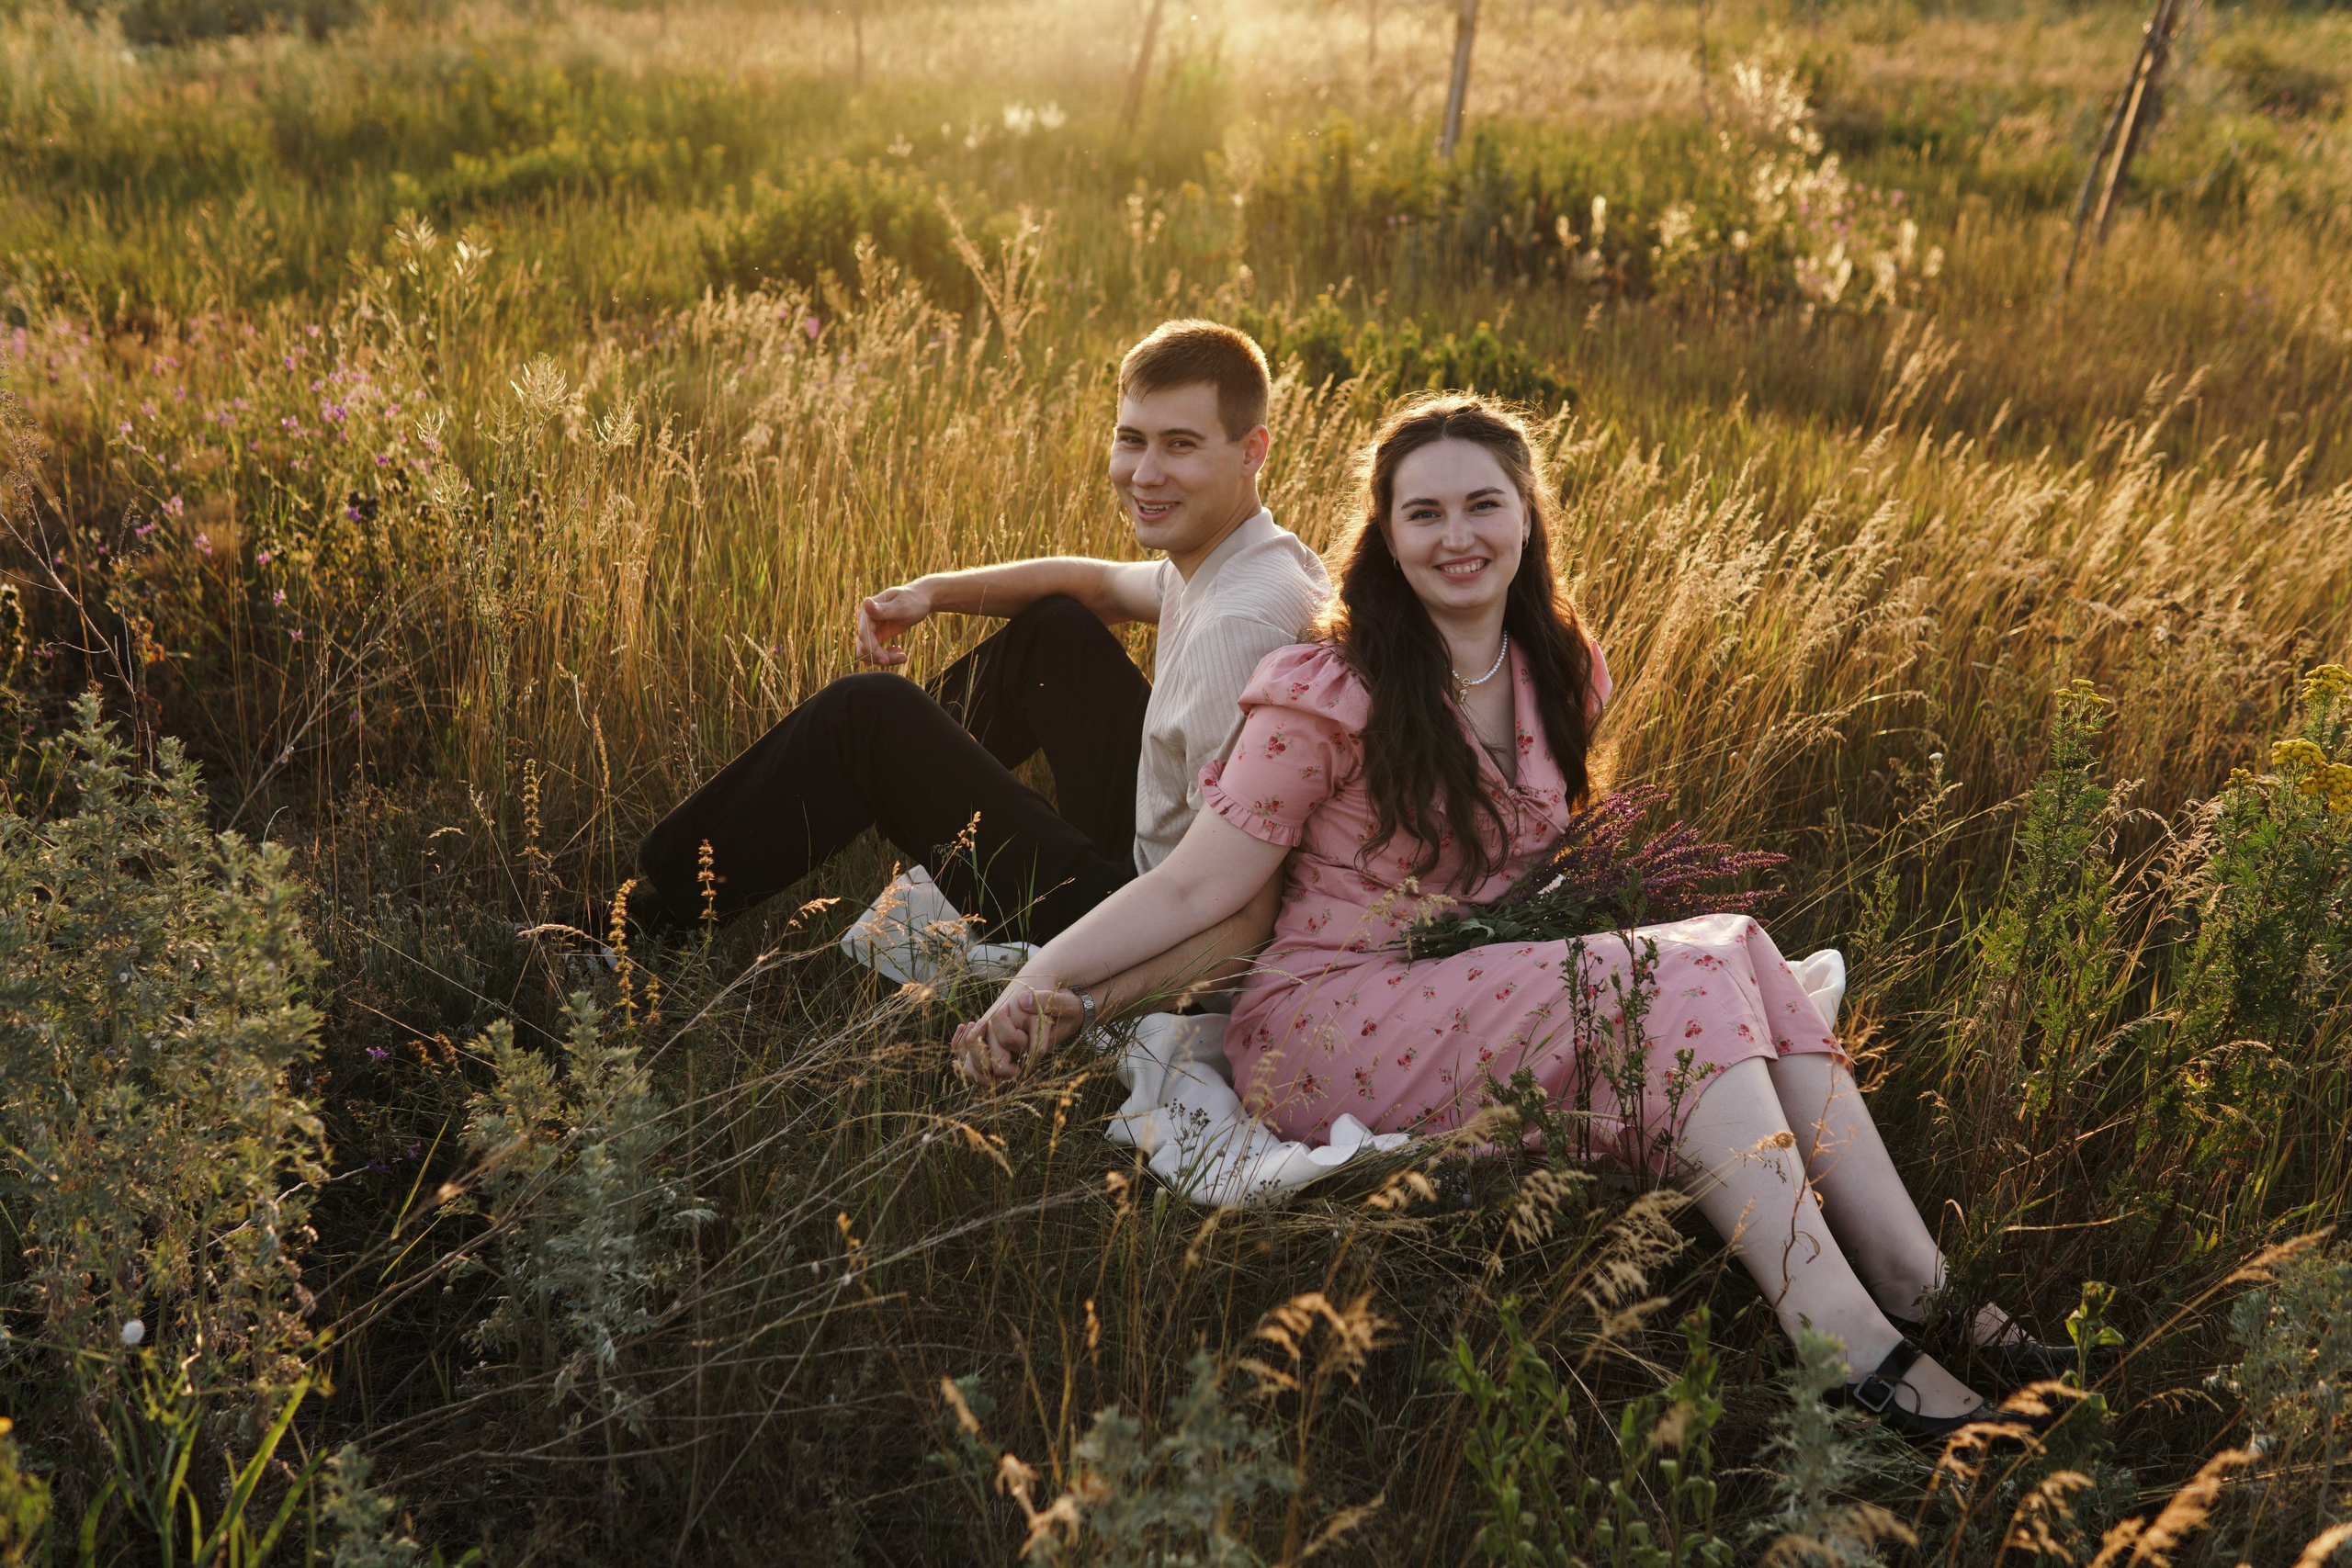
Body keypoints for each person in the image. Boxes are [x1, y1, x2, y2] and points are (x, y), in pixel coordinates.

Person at [957, 394, 2075, 1438]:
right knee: (1676, 979)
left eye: (1483, 504)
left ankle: (1917, 1282)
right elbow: (1195, 887)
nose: (1458, 536)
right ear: (1385, 537)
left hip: (1465, 989)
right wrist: (1035, 986)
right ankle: (1845, 1337)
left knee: (1733, 943)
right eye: (1424, 512)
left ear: (1527, 519)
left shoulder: (1560, 668)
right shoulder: (1326, 689)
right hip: (1323, 1022)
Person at [626, 320, 1329, 1013]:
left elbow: (1233, 906)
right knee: (1056, 627)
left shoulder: (1239, 629)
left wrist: (1085, 999)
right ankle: (885, 790)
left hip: (1140, 921)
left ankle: (634, 928)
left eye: (1181, 445)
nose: (1145, 473)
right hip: (1161, 846)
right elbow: (1100, 585)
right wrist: (933, 593)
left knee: (867, 716)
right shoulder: (1250, 552)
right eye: (1131, 439)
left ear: (1252, 450)